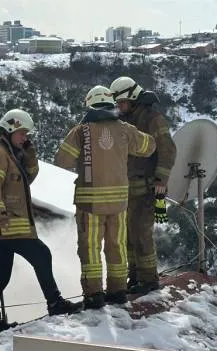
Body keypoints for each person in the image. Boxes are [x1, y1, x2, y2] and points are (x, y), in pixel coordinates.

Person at [0, 108, 83, 332]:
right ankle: (55, 303)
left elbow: (29, 177)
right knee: (41, 254)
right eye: (23, 134)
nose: (25, 138)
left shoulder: (10, 155)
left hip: (6, 227)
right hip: (6, 226)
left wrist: (30, 152)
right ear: (9, 129)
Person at [54, 86, 156, 309]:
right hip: (119, 203)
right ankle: (118, 291)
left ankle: (94, 295)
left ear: (90, 104)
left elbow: (62, 161)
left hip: (90, 204)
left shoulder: (81, 131)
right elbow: (149, 146)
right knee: (116, 246)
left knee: (90, 248)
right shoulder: (125, 129)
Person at [109, 76, 177, 294]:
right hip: (128, 189)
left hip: (147, 188)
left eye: (121, 103)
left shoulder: (152, 118)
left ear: (132, 97)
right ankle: (135, 276)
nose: (119, 108)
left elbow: (168, 149)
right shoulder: (126, 119)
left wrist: (161, 180)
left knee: (141, 234)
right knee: (128, 234)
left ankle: (149, 280)